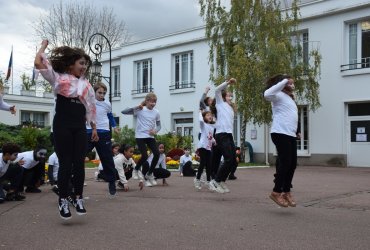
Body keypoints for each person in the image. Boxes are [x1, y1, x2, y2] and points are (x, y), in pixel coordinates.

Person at [34, 39, 98, 220]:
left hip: (79, 126)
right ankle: (63, 200)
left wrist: (93, 128)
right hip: (62, 124)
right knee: (65, 163)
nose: (84, 67)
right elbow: (39, 62)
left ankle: (78, 198)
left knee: (79, 163)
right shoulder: (58, 78)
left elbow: (91, 108)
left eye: (85, 64)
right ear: (71, 65)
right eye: (81, 63)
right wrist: (43, 47)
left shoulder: (87, 86)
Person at [264, 74, 298, 208]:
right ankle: (276, 191)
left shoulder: (289, 98)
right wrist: (284, 81)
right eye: (290, 83)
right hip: (279, 132)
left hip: (290, 134)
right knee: (285, 162)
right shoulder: (277, 95)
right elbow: (266, 93)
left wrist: (297, 130)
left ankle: (286, 192)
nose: (292, 85)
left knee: (293, 163)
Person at [86, 82, 120, 197]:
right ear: (94, 92)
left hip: (104, 132)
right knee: (78, 155)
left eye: (104, 93)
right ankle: (71, 180)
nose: (102, 95)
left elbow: (110, 116)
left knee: (107, 159)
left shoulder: (107, 104)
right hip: (89, 132)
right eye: (99, 92)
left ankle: (111, 182)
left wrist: (114, 126)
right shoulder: (89, 101)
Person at [121, 92, 161, 186]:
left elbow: (159, 126)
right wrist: (137, 107)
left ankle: (150, 174)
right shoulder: (140, 110)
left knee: (157, 153)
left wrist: (155, 131)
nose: (153, 104)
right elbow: (124, 112)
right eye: (151, 102)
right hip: (140, 136)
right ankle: (136, 169)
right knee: (144, 155)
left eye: (155, 102)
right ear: (146, 101)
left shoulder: (156, 112)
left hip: (150, 136)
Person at [209, 78, 237, 193]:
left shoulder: (230, 109)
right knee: (228, 159)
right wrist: (227, 83)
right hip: (221, 135)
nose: (231, 98)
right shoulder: (220, 104)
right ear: (223, 97)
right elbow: (216, 90)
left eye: (232, 96)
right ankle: (215, 181)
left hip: (229, 135)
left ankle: (221, 181)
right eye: (229, 96)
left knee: (233, 161)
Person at [194, 111, 215, 190]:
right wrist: (200, 112)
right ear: (204, 117)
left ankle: (208, 182)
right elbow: (200, 120)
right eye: (208, 115)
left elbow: (210, 136)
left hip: (208, 147)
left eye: (211, 115)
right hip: (202, 146)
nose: (210, 116)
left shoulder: (212, 127)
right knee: (203, 163)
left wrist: (214, 140)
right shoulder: (203, 125)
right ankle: (197, 179)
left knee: (209, 164)